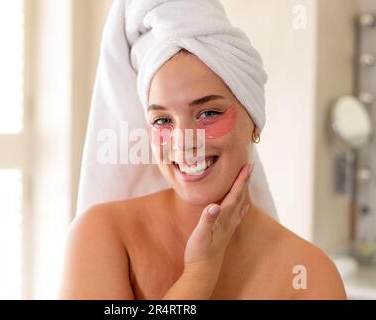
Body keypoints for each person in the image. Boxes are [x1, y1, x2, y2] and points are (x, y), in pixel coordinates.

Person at [59, 0, 346, 299]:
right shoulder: (103, 236)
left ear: (254, 121)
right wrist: (200, 272)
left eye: (208, 113)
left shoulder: (309, 274)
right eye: (162, 120)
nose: (184, 140)